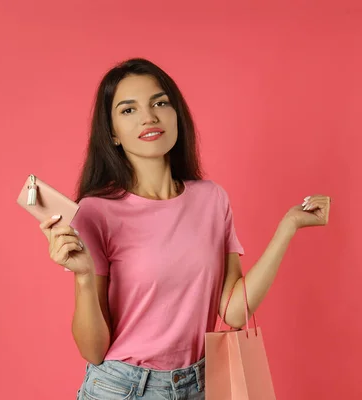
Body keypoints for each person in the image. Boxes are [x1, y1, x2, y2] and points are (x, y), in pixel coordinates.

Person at [38, 58, 331, 400]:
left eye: (160, 103)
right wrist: (84, 277)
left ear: (177, 115)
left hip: (200, 384)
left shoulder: (212, 200)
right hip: (122, 388)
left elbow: (234, 311)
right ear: (113, 133)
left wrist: (288, 226)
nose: (149, 117)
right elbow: (93, 351)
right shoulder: (96, 212)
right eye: (129, 110)